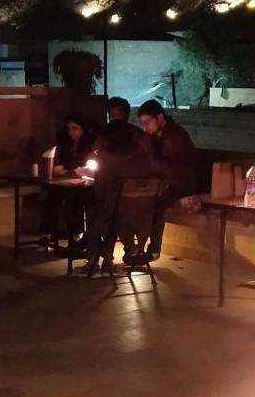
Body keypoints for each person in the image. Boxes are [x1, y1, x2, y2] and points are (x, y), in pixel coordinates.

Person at [80, 119, 168, 276]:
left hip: (118, 218)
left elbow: (100, 192)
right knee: (113, 208)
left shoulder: (106, 157)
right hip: (143, 219)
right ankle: (111, 257)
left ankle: (96, 258)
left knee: (94, 208)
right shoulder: (143, 155)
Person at [136, 100, 197, 263]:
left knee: (156, 204)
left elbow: (172, 169)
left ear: (160, 117)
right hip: (166, 183)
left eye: (147, 122)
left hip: (180, 185)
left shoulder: (174, 136)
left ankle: (153, 250)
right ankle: (137, 247)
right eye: (143, 123)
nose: (145, 127)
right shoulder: (156, 136)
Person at [39, 111, 97, 249]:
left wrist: (70, 171)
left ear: (83, 129)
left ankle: (77, 234)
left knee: (74, 197)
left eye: (75, 128)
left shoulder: (90, 143)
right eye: (69, 129)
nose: (72, 132)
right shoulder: (65, 143)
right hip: (66, 181)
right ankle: (47, 234)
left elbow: (87, 166)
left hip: (86, 183)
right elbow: (60, 163)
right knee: (52, 195)